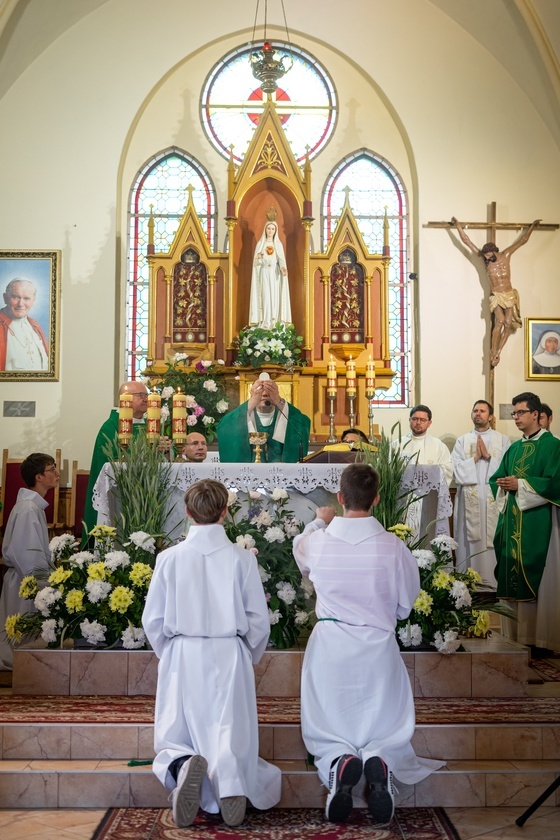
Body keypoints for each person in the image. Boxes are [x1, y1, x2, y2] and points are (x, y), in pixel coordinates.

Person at [293, 463, 444, 825]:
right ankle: (380, 758)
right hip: (377, 647)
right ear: (376, 499)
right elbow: (405, 605)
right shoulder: (393, 547)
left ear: (340, 497)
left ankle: (338, 760)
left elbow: (299, 549)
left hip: (330, 647)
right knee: (384, 719)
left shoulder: (318, 542)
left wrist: (319, 521)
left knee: (326, 721)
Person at [142, 479, 281, 827]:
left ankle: (181, 764)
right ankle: (230, 782)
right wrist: (246, 654)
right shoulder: (241, 558)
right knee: (229, 729)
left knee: (177, 728)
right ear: (225, 511)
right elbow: (257, 620)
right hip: (229, 650)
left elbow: (153, 619)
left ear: (187, 512)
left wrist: (169, 652)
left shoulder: (169, 558)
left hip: (182, 650)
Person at [490, 392, 560, 654]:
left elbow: (555, 483)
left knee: (539, 574)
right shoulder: (514, 447)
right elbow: (497, 478)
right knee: (512, 570)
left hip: (539, 522)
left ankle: (542, 640)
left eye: (521, 412)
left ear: (536, 414)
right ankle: (515, 637)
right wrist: (502, 484)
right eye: (514, 413)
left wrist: (520, 484)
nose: (516, 417)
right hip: (512, 521)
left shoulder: (553, 446)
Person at [451, 217, 540, 367]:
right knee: (499, 321)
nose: (486, 258)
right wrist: (457, 225)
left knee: (508, 324)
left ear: (494, 251)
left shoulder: (506, 255)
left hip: (509, 293)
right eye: (484, 256)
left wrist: (533, 226)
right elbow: (466, 241)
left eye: (488, 256)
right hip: (496, 295)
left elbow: (523, 240)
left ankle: (498, 352)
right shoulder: (484, 260)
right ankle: (493, 352)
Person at [0, 453, 59, 670]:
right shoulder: (27, 509)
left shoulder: (33, 507)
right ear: (38, 477)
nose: (57, 473)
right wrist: (47, 585)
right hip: (25, 582)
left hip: (27, 579)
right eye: (52, 469)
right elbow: (27, 555)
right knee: (20, 638)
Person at [82, 381, 149, 543]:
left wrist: (166, 449)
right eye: (140, 395)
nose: (146, 399)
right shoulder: (110, 426)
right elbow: (111, 461)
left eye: (146, 395)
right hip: (119, 495)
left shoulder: (151, 425)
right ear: (124, 399)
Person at [452, 400, 510, 585]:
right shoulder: (462, 441)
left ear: (490, 416)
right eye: (475, 410)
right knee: (469, 538)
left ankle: (494, 583)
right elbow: (456, 471)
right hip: (469, 498)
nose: (478, 413)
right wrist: (475, 458)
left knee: (492, 537)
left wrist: (488, 457)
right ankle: (468, 581)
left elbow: (508, 468)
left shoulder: (503, 440)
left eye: (482, 411)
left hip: (493, 496)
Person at [217, 372, 310, 463]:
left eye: (269, 390)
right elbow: (224, 426)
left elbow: (302, 424)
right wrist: (252, 402)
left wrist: (279, 402)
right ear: (251, 394)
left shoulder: (285, 414)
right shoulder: (243, 416)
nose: (265, 394)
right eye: (260, 390)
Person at [248, 220, 291, 328]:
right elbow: (256, 264)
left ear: (275, 230)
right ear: (265, 229)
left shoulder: (278, 244)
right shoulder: (261, 244)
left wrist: (283, 268)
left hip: (275, 274)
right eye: (268, 228)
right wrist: (259, 258)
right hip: (264, 273)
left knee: (275, 298)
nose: (270, 231)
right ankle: (265, 323)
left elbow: (281, 260)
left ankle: (275, 323)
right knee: (266, 297)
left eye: (272, 229)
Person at [0, 278, 49, 371]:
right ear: (5, 298)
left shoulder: (35, 325)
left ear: (33, 301)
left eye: (26, 298)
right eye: (15, 297)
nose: (21, 304)